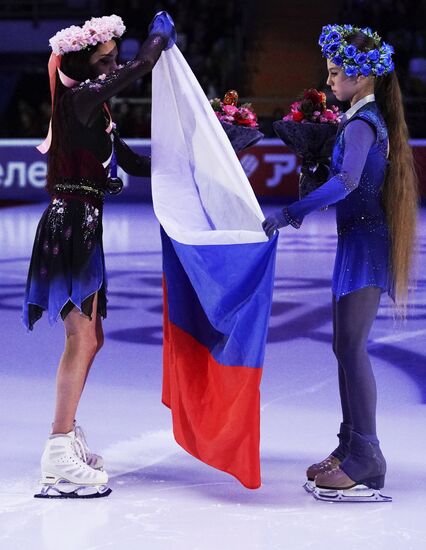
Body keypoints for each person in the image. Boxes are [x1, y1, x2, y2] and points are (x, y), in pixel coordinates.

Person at [23, 11, 176, 498]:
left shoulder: (97, 110)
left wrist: (204, 152)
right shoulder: (78, 101)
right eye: (107, 60)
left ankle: (66, 435)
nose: (116, 66)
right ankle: (57, 449)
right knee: (79, 338)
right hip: (70, 226)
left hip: (83, 225)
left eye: (115, 59)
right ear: (86, 67)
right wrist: (153, 43)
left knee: (93, 339)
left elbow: (135, 163)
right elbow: (139, 69)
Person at [263, 24, 418, 502]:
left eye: (335, 74)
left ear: (362, 77)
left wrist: (292, 213)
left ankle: (367, 456)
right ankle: (350, 443)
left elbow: (348, 182)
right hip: (356, 240)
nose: (329, 82)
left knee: (351, 347)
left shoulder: (361, 123)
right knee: (342, 346)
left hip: (365, 241)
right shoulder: (362, 116)